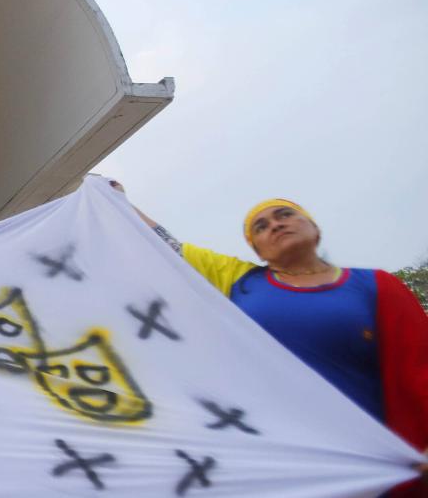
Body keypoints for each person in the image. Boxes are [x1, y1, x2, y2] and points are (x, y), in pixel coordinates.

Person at [110, 180, 427, 494]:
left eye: (285, 215)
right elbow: (167, 247)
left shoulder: (373, 285)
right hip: (284, 463)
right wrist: (119, 201)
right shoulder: (239, 281)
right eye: (261, 227)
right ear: (257, 250)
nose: (275, 225)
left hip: (376, 461)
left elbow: (418, 364)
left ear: (314, 228)